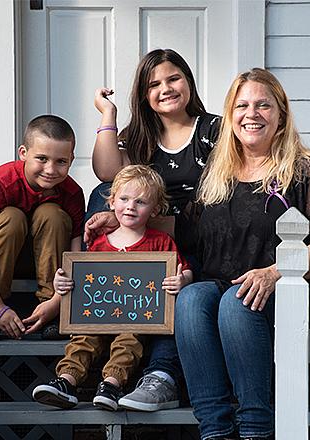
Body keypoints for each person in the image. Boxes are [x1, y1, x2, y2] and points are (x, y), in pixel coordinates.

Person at [175, 68, 310, 440]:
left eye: (263, 105)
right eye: (242, 105)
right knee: (191, 300)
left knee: (237, 304)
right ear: (230, 114)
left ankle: (256, 429)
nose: (251, 113)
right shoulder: (215, 173)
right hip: (223, 284)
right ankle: (215, 430)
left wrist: (274, 273)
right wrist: (117, 218)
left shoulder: (305, 169)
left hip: (288, 288)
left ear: (281, 114)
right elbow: (185, 234)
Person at [85, 48, 221, 411]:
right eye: (154, 84)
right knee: (104, 194)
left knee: (173, 284)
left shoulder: (213, 130)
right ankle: (86, 291)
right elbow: (106, 172)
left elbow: (218, 204)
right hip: (149, 244)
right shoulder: (141, 136)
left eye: (173, 78)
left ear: (188, 81)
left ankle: (160, 375)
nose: (166, 88)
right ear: (144, 95)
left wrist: (129, 218)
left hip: (196, 243)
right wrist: (109, 114)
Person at [32, 165, 192, 411]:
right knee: (83, 339)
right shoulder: (98, 243)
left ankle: (111, 385)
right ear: (111, 201)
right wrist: (61, 283)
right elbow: (81, 279)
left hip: (136, 318)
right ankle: (67, 382)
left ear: (156, 209)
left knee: (128, 342)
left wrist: (182, 281)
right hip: (96, 316)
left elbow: (184, 269)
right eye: (124, 199)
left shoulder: (160, 242)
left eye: (141, 202)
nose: (130, 206)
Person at [0, 115, 85, 341]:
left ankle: (49, 309)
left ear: (71, 159)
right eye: (42, 159)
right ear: (23, 153)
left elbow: (75, 256)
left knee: (52, 214)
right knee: (12, 217)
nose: (51, 169)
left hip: (37, 258)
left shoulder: (72, 192)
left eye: (61, 161)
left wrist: (57, 302)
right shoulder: (0, 182)